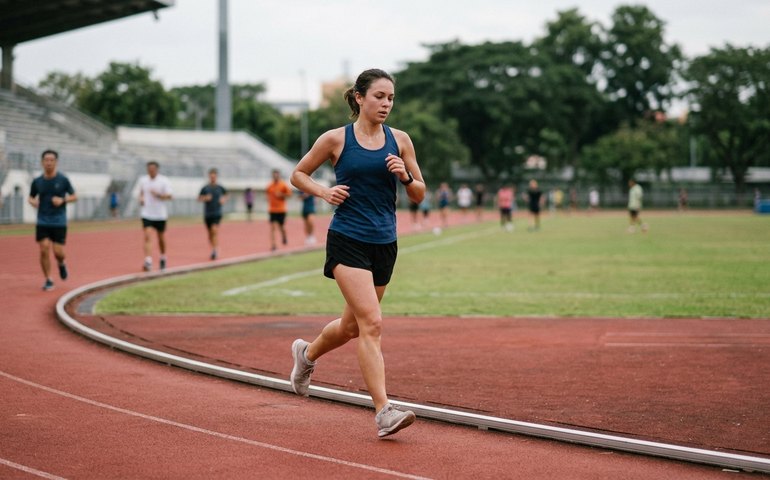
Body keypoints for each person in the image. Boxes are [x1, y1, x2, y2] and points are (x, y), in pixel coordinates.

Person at [289, 68, 425, 438]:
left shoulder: (400, 141)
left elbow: (419, 194)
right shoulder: (335, 139)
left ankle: (307, 354)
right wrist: (323, 192)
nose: (386, 104)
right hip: (347, 238)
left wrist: (406, 177)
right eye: (379, 96)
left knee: (351, 327)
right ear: (360, 98)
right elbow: (298, 174)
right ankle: (383, 411)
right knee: (373, 323)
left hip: (385, 242)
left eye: (391, 98)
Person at [28, 150, 77, 291]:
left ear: (56, 162)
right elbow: (31, 197)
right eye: (46, 160)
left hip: (59, 221)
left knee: (58, 253)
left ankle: (61, 263)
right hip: (42, 220)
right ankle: (48, 279)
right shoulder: (37, 182)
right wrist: (33, 202)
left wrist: (63, 200)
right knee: (44, 249)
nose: (49, 162)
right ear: (42, 162)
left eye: (51, 160)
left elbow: (74, 196)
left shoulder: (63, 180)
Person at [138, 161, 173, 271]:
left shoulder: (164, 181)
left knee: (160, 238)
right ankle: (148, 260)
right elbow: (141, 193)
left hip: (160, 214)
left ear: (157, 169)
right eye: (149, 169)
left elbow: (170, 196)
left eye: (153, 169)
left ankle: (163, 257)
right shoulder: (143, 180)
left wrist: (158, 195)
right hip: (147, 213)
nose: (151, 171)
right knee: (147, 235)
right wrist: (141, 199)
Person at [198, 168, 228, 260]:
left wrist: (223, 199)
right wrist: (205, 198)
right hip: (208, 214)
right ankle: (213, 247)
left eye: (214, 176)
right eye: (211, 176)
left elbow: (226, 195)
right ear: (209, 176)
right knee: (210, 234)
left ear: (216, 176)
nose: (212, 177)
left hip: (217, 213)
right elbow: (199, 198)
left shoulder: (220, 188)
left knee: (214, 230)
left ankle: (215, 250)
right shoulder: (205, 188)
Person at [266, 169, 293, 251]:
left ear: (279, 175)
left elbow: (289, 195)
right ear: (272, 175)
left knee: (282, 227)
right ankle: (273, 245)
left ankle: (284, 236)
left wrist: (281, 195)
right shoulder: (269, 186)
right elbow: (268, 195)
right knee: (273, 227)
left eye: (277, 174)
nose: (275, 176)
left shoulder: (283, 185)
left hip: (281, 210)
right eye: (274, 175)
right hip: (272, 210)